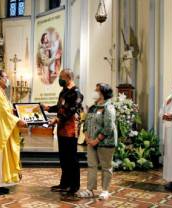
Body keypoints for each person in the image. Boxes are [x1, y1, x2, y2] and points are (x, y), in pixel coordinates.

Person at [0, 70, 27, 195]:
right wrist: (17, 120)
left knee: (1, 158)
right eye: (6, 77)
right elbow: (3, 112)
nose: (7, 79)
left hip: (2, 129)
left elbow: (6, 109)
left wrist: (16, 112)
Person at [42, 69, 84, 201]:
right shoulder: (64, 90)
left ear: (67, 77)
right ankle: (64, 183)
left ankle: (74, 186)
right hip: (61, 129)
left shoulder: (76, 93)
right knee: (63, 158)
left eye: (61, 77)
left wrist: (57, 119)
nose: (59, 79)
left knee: (72, 158)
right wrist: (49, 108)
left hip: (71, 129)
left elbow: (71, 111)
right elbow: (61, 107)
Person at [79, 83, 117, 200]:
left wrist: (97, 140)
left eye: (97, 90)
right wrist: (87, 137)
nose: (94, 91)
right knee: (91, 165)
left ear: (103, 93)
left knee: (106, 167)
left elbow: (108, 127)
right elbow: (85, 123)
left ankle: (105, 190)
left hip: (105, 142)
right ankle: (90, 190)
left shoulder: (108, 107)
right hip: (91, 142)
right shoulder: (93, 107)